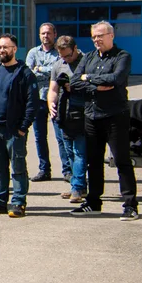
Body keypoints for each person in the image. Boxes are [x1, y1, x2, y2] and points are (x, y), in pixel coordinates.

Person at [69, 21, 139, 220]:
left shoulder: (122, 56)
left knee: (122, 161)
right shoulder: (89, 57)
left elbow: (115, 79)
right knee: (93, 161)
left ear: (111, 35)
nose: (96, 40)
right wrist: (94, 84)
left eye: (100, 36)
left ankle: (130, 205)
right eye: (94, 37)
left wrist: (87, 78)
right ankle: (93, 202)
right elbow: (74, 81)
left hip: (115, 116)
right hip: (91, 116)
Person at [0, 34, 38, 217]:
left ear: (14, 49)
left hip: (14, 130)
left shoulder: (24, 73)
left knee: (18, 167)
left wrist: (23, 127)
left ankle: (18, 203)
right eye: (0, 47)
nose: (2, 50)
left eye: (6, 47)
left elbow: (32, 103)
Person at [49, 36, 88, 205]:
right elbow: (53, 89)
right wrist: (51, 104)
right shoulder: (58, 65)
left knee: (80, 152)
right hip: (64, 115)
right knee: (69, 152)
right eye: (62, 56)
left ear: (75, 48)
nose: (65, 59)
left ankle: (77, 188)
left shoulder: (86, 61)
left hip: (81, 114)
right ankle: (77, 185)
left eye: (68, 55)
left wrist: (73, 86)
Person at [25, 23, 65, 183]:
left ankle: (67, 170)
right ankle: (44, 169)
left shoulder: (59, 52)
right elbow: (29, 73)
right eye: (43, 33)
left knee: (61, 136)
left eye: (48, 33)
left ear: (55, 34)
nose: (45, 36)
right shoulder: (33, 52)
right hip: (38, 99)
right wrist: (49, 71)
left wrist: (40, 69)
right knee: (39, 136)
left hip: (56, 99)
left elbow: (60, 72)